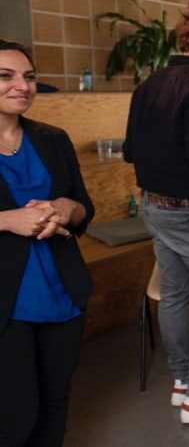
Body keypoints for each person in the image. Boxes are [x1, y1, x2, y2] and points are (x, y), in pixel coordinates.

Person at [123, 16, 189, 424]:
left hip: (153, 206)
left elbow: (130, 150)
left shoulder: (148, 82)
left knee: (177, 292)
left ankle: (181, 381)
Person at [0, 39, 95, 446]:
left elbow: (83, 209)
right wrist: (7, 219)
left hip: (61, 292)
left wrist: (62, 208)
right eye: (5, 76)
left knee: (55, 401)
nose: (22, 85)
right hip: (8, 303)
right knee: (15, 413)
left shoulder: (52, 137)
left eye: (29, 76)